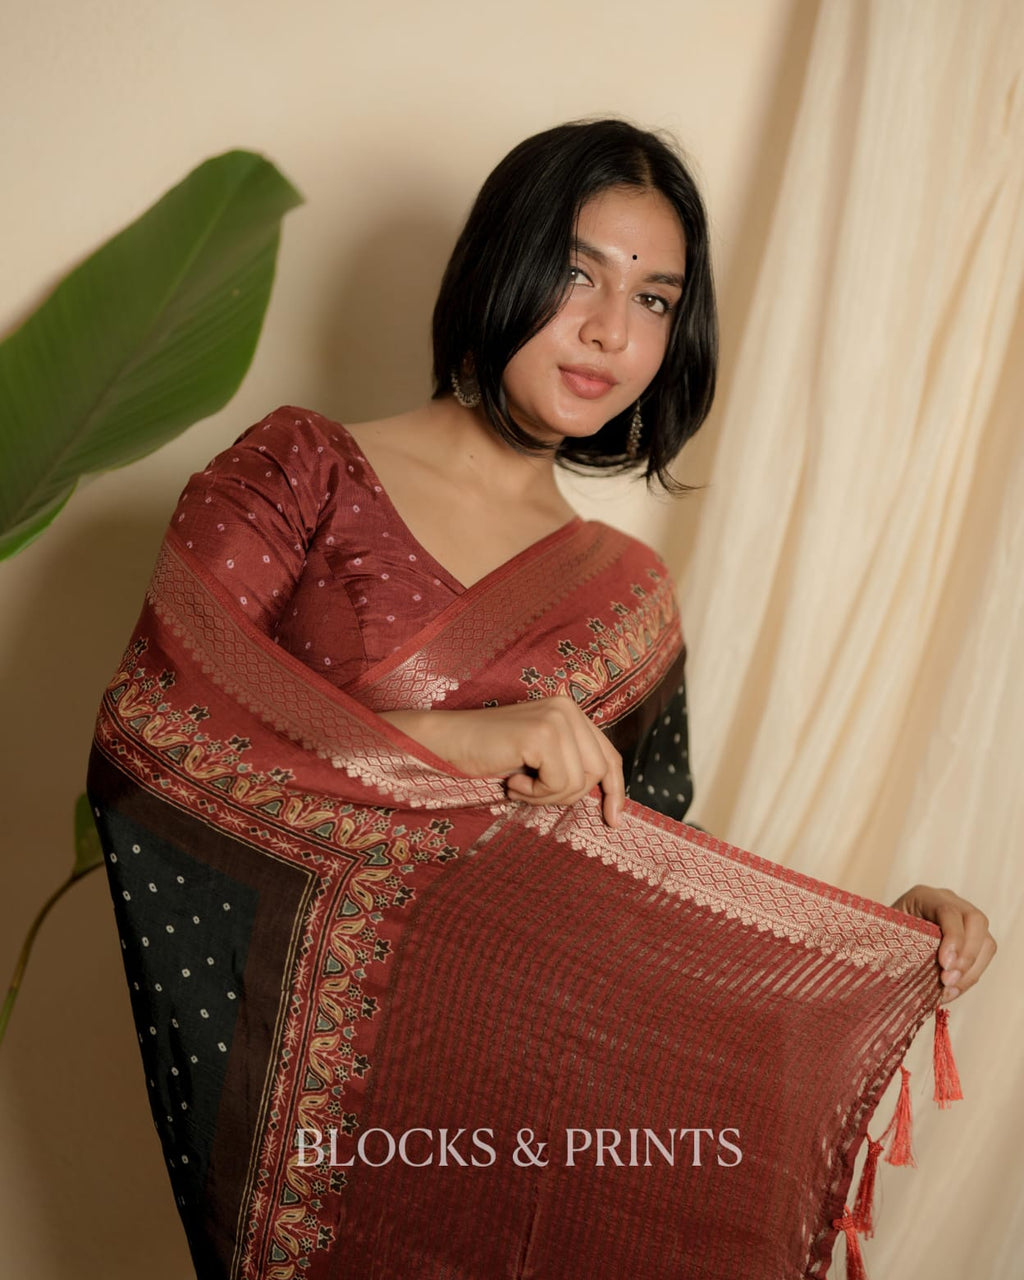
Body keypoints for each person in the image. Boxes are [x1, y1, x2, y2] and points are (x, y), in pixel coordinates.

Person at [90, 120, 994, 1279]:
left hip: (510, 1142)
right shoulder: (301, 472)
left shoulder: (630, 595)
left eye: (655, 299)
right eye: (577, 273)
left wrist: (872, 942)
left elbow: (645, 905)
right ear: (500, 263)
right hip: (318, 1131)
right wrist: (452, 744)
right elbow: (152, 736)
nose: (612, 330)